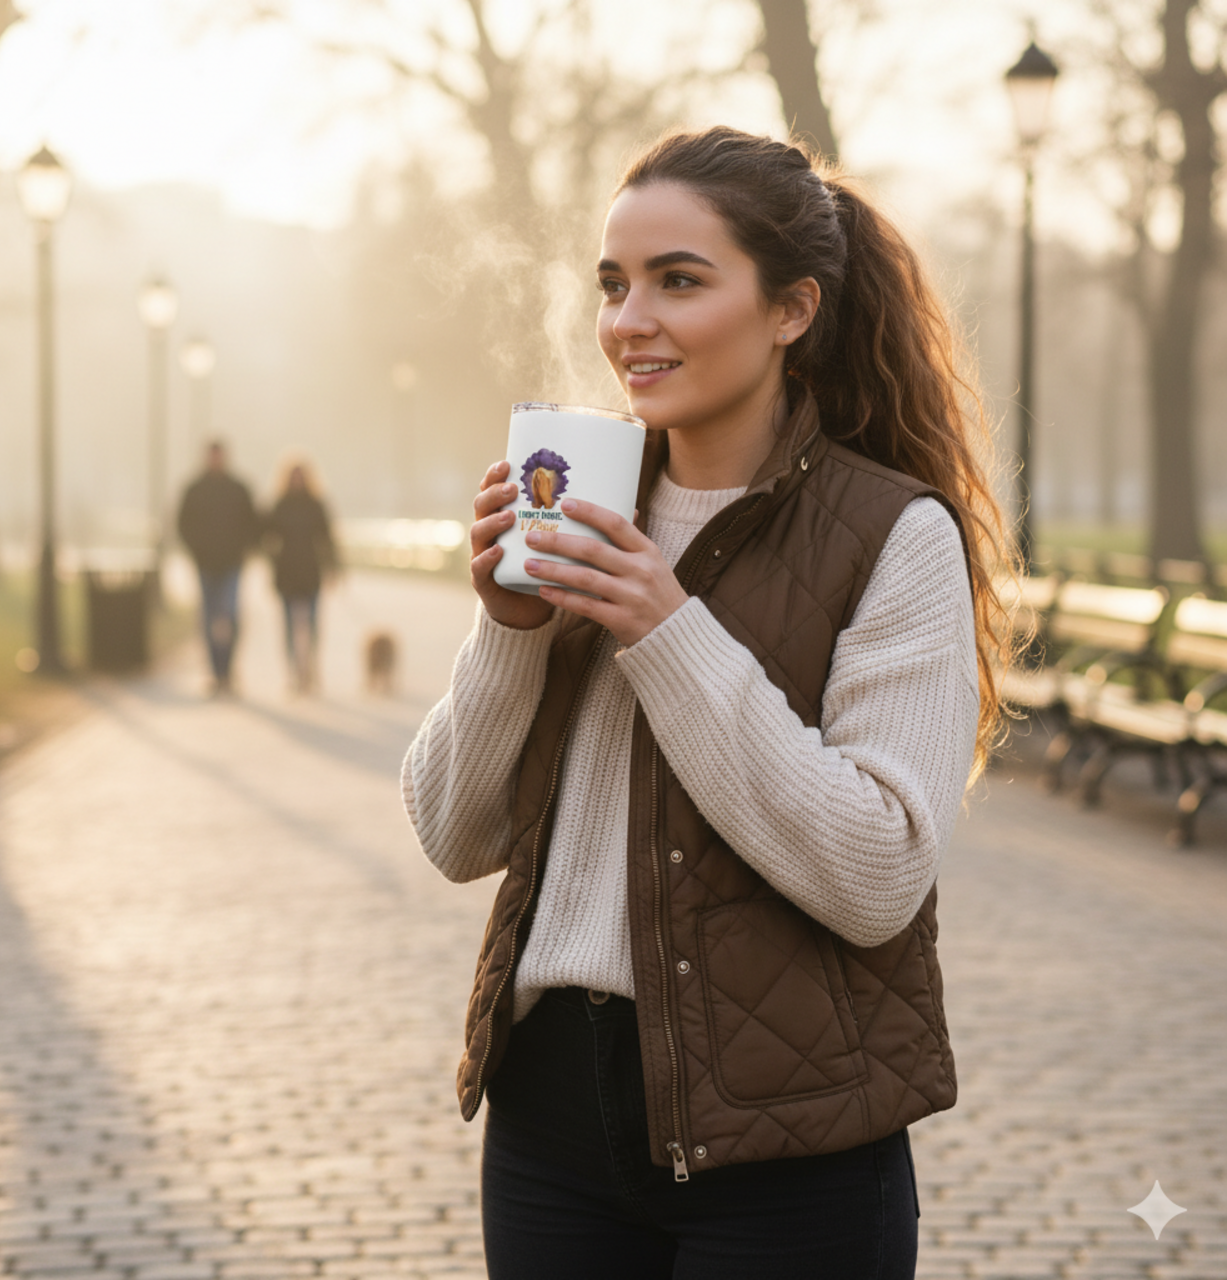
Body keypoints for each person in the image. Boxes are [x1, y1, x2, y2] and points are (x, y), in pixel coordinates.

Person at [401, 127, 1011, 1278]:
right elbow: (452, 834)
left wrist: (663, 626)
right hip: (550, 1127)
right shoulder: (583, 502)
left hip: (786, 1145)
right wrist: (509, 630)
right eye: (613, 283)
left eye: (679, 280)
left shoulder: (893, 534)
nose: (629, 319)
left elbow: (878, 872)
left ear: (790, 309)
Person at [177, 441, 259, 695]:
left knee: (230, 615)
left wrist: (244, 549)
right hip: (205, 563)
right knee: (209, 618)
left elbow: (253, 522)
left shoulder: (238, 488)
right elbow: (182, 523)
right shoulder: (194, 489)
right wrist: (195, 550)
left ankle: (228, 670)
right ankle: (215, 673)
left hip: (232, 563)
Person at [263, 460, 335, 693]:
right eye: (293, 476)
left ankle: (310, 669)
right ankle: (294, 673)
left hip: (311, 570)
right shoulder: (279, 505)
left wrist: (332, 567)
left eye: (301, 475)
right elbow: (266, 537)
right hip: (285, 571)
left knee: (312, 625)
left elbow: (327, 538)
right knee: (288, 626)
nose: (297, 480)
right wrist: (271, 560)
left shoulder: (316, 505)